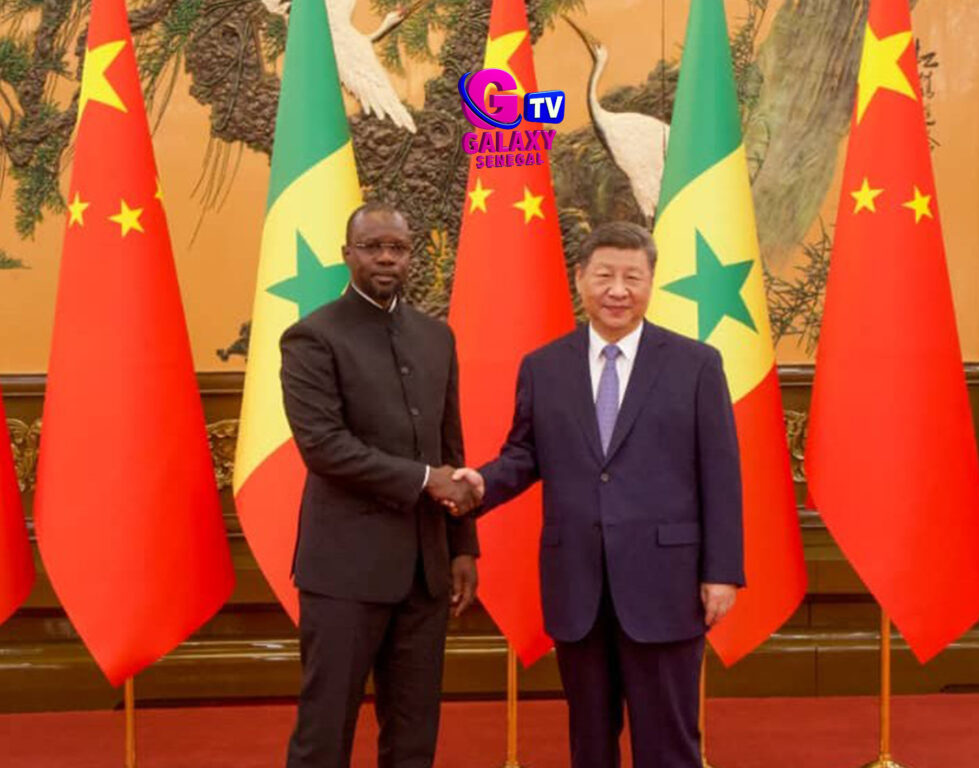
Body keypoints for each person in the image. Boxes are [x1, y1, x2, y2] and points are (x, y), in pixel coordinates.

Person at [452, 222, 744, 768]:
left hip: (666, 584)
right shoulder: (544, 367)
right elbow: (525, 454)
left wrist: (722, 572)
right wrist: (483, 483)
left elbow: (721, 474)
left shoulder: (696, 364)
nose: (618, 290)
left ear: (651, 282)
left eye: (633, 277)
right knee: (589, 743)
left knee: (669, 744)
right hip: (578, 584)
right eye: (605, 275)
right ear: (580, 278)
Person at [279, 202, 481, 768]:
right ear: (348, 255)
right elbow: (324, 447)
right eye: (373, 247)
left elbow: (450, 448)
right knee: (325, 733)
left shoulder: (436, 337)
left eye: (398, 247)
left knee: (414, 734)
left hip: (426, 570)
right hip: (344, 572)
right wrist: (424, 479)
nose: (387, 258)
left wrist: (463, 547)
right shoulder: (311, 337)